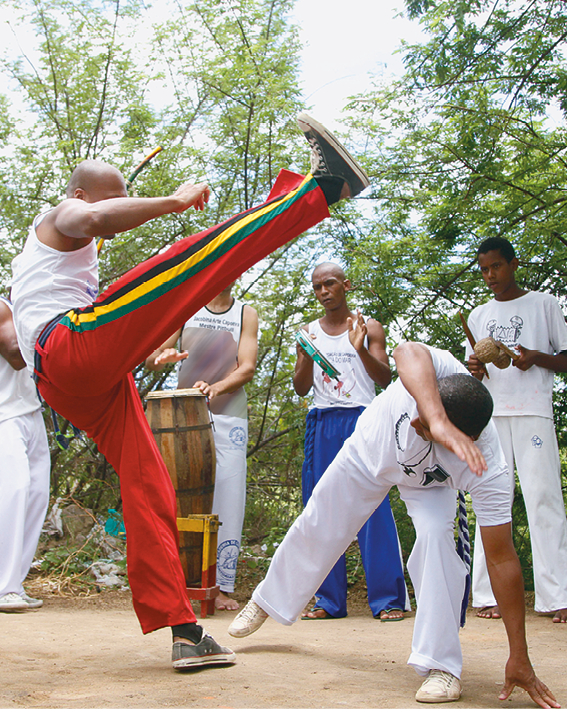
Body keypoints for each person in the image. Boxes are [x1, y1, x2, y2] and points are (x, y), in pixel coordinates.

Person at [9, 113, 370, 669]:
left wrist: (136, 349)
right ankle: (324, 187)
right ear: (79, 193)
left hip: (69, 380)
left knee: (149, 483)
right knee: (193, 259)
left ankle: (183, 629)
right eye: (113, 196)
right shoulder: (62, 214)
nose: (115, 207)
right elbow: (96, 214)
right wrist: (172, 200)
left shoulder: (53, 263)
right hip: (68, 346)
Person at [228, 343, 559, 707]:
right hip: (371, 454)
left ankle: (441, 666)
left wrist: (519, 653)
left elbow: (501, 559)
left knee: (436, 542)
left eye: (427, 426)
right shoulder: (442, 370)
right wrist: (435, 419)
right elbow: (407, 351)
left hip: (431, 485)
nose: (417, 423)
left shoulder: (488, 467)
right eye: (421, 414)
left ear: (470, 439)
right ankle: (266, 599)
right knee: (319, 519)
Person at [294, 262, 407, 621]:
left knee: (373, 508)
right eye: (317, 287)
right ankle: (328, 600)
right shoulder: (308, 332)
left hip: (363, 420)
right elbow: (300, 388)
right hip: (323, 420)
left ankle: (388, 600)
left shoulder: (368, 325)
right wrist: (305, 356)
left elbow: (384, 376)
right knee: (322, 508)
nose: (323, 291)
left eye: (329, 284)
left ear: (346, 284)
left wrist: (359, 348)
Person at [465, 236, 567, 624]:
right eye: (484, 270)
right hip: (492, 417)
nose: (490, 275)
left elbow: (565, 357)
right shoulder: (478, 315)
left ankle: (556, 596)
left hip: (533, 412)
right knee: (493, 501)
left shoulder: (544, 304)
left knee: (544, 499)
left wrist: (535, 358)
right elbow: (477, 370)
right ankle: (487, 594)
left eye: (496, 267)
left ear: (514, 263)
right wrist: (476, 370)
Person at [146, 281, 258, 611]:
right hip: (185, 413)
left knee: (229, 497)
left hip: (229, 414)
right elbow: (153, 356)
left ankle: (220, 586)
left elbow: (247, 367)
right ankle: (177, 582)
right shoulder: (186, 305)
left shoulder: (245, 313)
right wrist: (162, 356)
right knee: (180, 496)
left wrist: (216, 387)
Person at [0, 296, 50, 613]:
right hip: (5, 416)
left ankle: (14, 584)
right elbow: (17, 357)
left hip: (31, 412)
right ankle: (4, 586)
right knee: (15, 492)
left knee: (36, 496)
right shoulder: (4, 308)